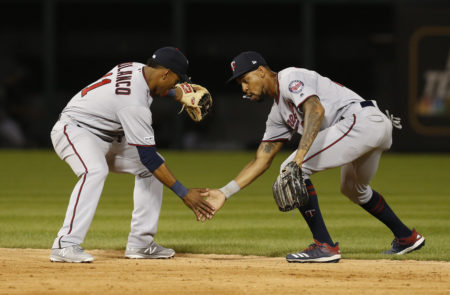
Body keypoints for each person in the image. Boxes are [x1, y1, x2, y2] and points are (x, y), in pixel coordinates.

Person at [204, 51, 425, 263]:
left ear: (261, 71)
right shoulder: (277, 114)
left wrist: (299, 158)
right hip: (368, 127)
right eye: (240, 84)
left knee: (291, 168)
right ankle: (407, 237)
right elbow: (262, 159)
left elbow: (315, 110)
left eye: (245, 79)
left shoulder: (289, 77)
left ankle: (324, 245)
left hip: (360, 121)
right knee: (352, 189)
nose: (244, 88)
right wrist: (225, 192)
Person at [49, 47, 215, 263]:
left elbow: (151, 87)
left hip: (106, 135)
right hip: (75, 130)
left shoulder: (135, 67)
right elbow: (148, 157)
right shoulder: (133, 105)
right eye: (175, 80)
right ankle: (65, 244)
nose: (176, 85)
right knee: (95, 170)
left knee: (152, 171)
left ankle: (141, 243)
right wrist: (184, 193)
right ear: (165, 73)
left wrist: (174, 93)